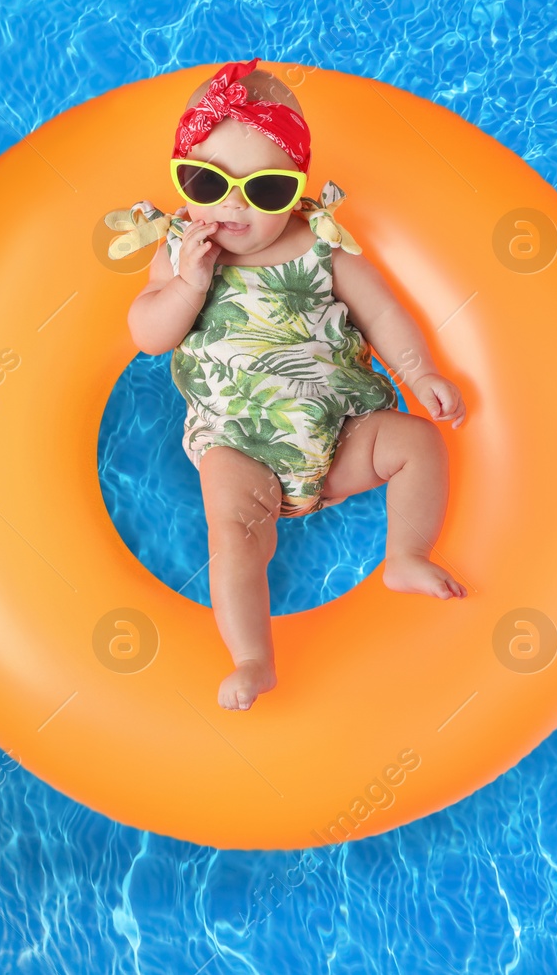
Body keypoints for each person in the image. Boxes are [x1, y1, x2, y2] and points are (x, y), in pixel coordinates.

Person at [123, 59, 467, 711]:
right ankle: (253, 656)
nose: (233, 205)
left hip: (341, 435)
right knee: (233, 532)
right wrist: (187, 285)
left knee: (419, 442)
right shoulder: (178, 250)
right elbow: (148, 331)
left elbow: (383, 313)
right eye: (207, 180)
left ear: (298, 188)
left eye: (267, 189)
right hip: (240, 445)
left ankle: (406, 555)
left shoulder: (322, 243)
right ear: (182, 177)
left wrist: (421, 374)